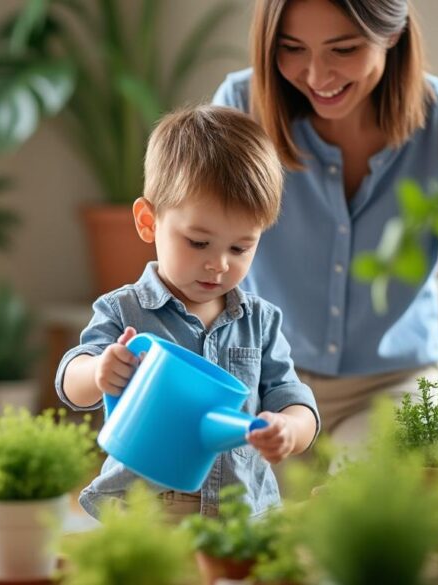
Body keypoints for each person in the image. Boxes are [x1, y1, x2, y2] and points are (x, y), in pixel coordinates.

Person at [211, 0, 438, 460]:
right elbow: (204, 256)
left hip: (394, 388)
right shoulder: (241, 107)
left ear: (392, 33)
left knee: (370, 515)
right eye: (292, 48)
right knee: (255, 522)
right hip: (263, 380)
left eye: (343, 49)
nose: (317, 76)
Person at [55, 105, 320, 520]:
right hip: (146, 509)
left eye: (240, 248)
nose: (219, 264)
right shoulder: (125, 309)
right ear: (148, 221)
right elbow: (73, 380)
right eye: (199, 243)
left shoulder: (261, 322)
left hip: (241, 512)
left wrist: (290, 430)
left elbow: (293, 398)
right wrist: (99, 372)